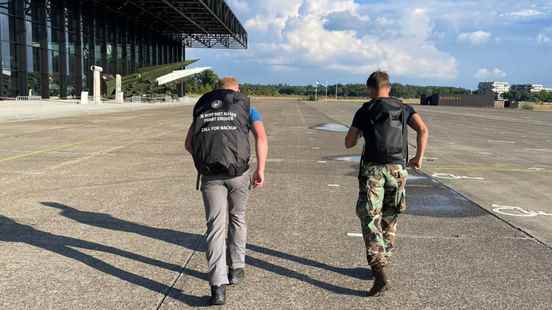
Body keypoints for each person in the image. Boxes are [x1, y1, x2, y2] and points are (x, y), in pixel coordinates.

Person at [185, 77, 268, 306]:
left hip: (211, 176)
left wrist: (203, 163)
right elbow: (261, 136)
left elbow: (189, 144)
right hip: (239, 174)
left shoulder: (204, 107)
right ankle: (237, 268)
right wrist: (260, 169)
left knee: (215, 227)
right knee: (238, 218)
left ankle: (218, 287)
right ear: (237, 90)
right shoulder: (246, 106)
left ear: (217, 90)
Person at [345, 71, 429, 297]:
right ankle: (383, 261)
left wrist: (362, 131)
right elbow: (423, 129)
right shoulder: (404, 108)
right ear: (388, 88)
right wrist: (418, 158)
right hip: (398, 170)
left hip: (373, 170)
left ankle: (379, 272)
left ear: (370, 89)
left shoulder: (365, 110)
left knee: (369, 218)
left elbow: (349, 142)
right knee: (390, 217)